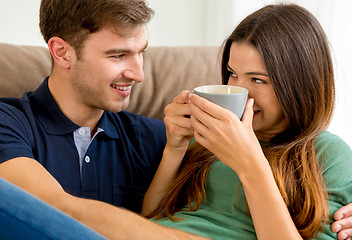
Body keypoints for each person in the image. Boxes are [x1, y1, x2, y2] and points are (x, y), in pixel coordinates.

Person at [141, 3, 352, 239]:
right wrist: (175, 148)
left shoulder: (328, 155)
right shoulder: (209, 138)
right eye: (232, 74)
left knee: (91, 213)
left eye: (258, 80)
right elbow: (149, 217)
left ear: (299, 86)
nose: (237, 91)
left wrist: (249, 163)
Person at [0, 0, 207, 239]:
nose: (138, 75)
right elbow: (51, 208)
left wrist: (176, 149)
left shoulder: (159, 138)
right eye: (118, 55)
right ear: (62, 52)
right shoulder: (8, 124)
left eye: (141, 52)